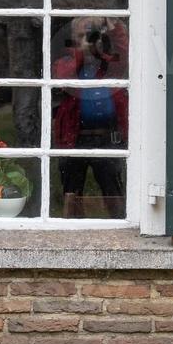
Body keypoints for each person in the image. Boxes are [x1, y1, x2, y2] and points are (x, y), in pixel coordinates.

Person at [52, 16, 128, 218]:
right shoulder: (65, 63)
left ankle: (119, 223)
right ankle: (72, 227)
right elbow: (63, 77)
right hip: (74, 137)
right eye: (82, 35)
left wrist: (113, 26)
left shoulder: (111, 65)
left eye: (92, 35)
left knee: (112, 186)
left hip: (106, 136)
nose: (88, 39)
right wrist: (82, 52)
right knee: (72, 189)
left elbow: (125, 51)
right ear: (73, 40)